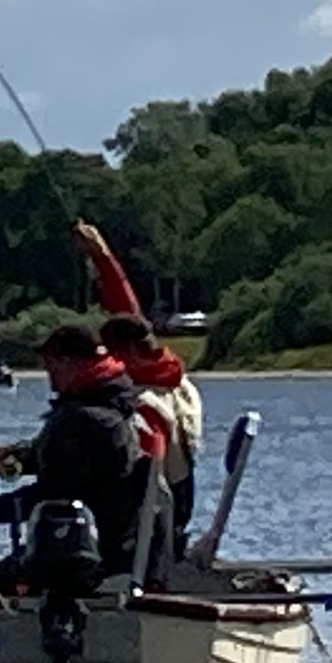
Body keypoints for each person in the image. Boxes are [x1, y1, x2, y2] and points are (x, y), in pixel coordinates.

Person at [0, 323, 153, 580]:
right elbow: (56, 458)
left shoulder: (87, 418)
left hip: (87, 553)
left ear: (70, 363)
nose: (50, 381)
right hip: (112, 542)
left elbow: (52, 495)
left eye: (51, 367)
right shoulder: (113, 404)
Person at [72, 220, 204, 533]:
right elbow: (128, 313)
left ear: (129, 352)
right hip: (176, 507)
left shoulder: (143, 402)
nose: (106, 358)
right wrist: (102, 257)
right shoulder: (175, 381)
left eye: (111, 350)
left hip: (150, 522)